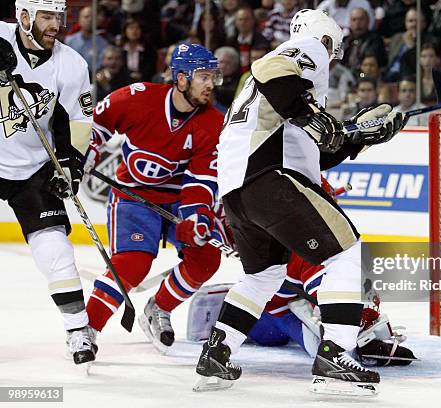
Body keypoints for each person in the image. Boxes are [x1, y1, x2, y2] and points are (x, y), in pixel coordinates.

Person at [194, 9, 404, 396]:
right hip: (269, 179)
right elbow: (269, 67)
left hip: (240, 191)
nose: (334, 58)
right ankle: (335, 354)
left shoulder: (277, 99)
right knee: (345, 251)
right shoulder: (308, 48)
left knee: (264, 275)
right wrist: (319, 118)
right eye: (334, 50)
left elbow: (315, 150)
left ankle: (217, 353)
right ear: (326, 39)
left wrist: (359, 136)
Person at [83, 43, 227, 354]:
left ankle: (158, 309)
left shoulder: (214, 123)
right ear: (181, 78)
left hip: (177, 200)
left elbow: (201, 179)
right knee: (132, 264)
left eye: (213, 76)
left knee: (206, 259)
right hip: (132, 197)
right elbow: (96, 124)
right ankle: (87, 329)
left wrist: (196, 216)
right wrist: (89, 149)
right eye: (203, 76)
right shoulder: (138, 98)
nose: (210, 84)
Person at [0, 0, 96, 365]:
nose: (55, 23)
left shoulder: (71, 63)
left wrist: (72, 165)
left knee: (56, 251)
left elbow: (80, 120)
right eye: (46, 16)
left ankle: (77, 331)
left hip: (34, 166)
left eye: (58, 15)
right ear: (23, 16)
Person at [64, 6, 109, 73]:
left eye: (92, 17)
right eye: (86, 17)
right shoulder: (69, 41)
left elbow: (101, 66)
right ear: (79, 20)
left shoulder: (103, 43)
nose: (90, 19)